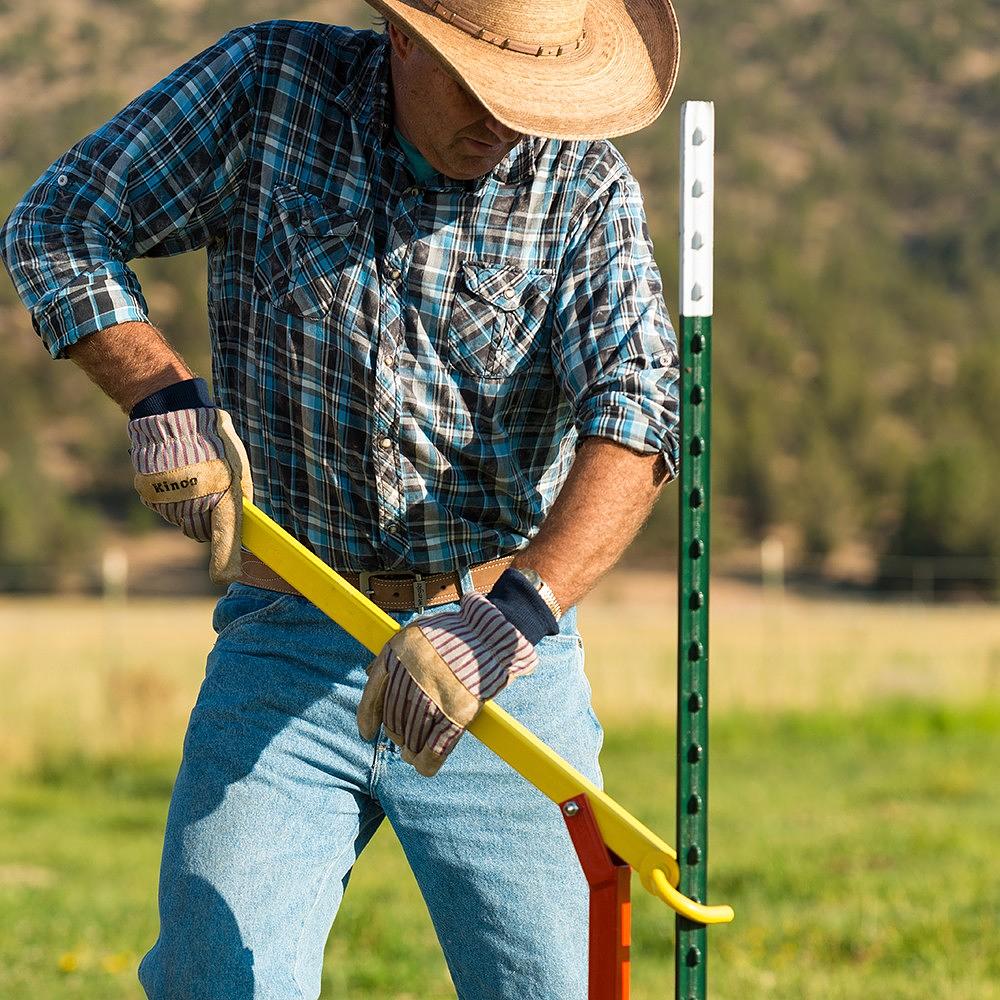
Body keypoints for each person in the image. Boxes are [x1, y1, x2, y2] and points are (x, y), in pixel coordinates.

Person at [0, 1, 681, 996]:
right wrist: (161, 399)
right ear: (403, 38)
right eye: (481, 86)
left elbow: (641, 412)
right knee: (214, 979)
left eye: (532, 96)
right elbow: (61, 221)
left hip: (495, 661)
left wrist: (509, 618)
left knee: (555, 986)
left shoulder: (581, 186)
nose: (506, 120)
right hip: (288, 630)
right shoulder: (267, 89)